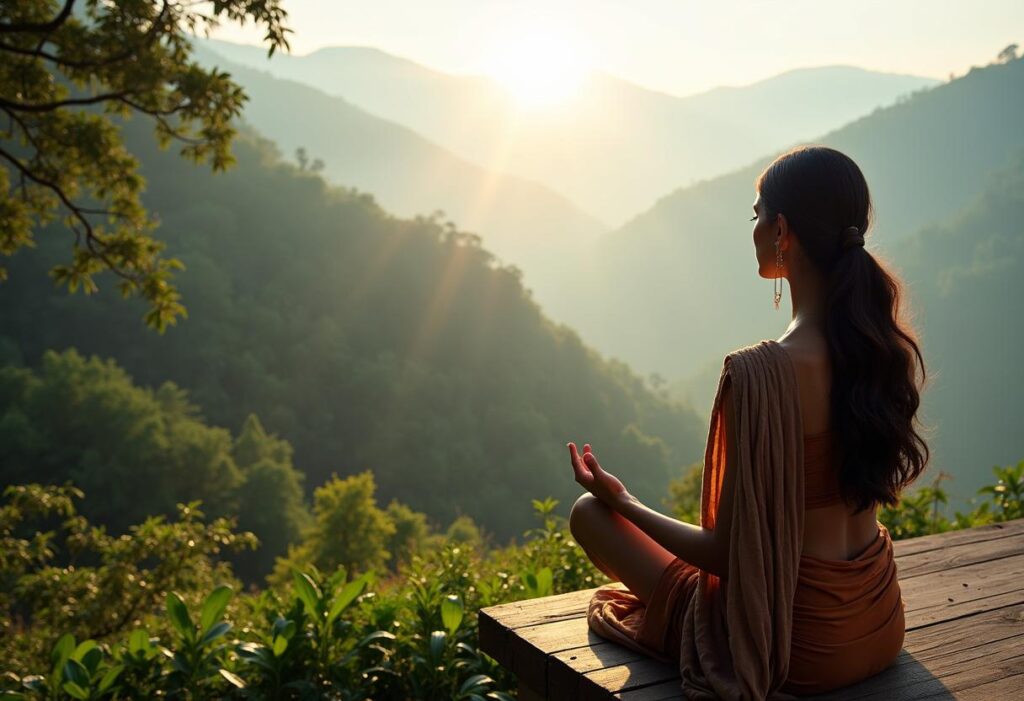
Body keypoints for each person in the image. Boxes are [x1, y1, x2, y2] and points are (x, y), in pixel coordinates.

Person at [567, 145, 929, 699]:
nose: (754, 228)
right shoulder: (879, 347)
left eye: (756, 214)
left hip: (799, 646)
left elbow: (723, 555)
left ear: (782, 230)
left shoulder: (761, 372)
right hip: (879, 623)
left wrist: (625, 503)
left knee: (589, 513)